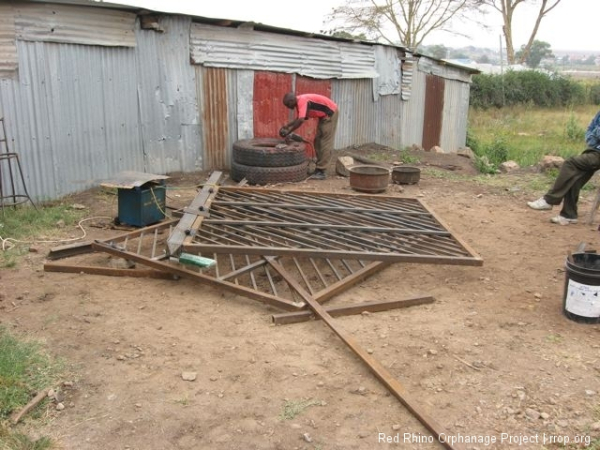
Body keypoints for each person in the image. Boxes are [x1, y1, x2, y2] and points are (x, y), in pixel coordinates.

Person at [527, 110, 600, 225]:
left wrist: (596, 135)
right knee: (575, 178)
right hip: (594, 150)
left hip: (598, 153)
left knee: (570, 163)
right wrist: (594, 137)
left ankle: (549, 200)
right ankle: (569, 215)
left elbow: (596, 133)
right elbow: (590, 132)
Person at [279, 92, 339, 180]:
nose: (288, 107)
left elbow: (301, 120)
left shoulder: (302, 101)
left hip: (330, 114)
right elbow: (299, 118)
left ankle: (322, 171)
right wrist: (287, 126)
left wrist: (289, 132)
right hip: (323, 117)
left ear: (292, 100)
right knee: (317, 141)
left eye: (288, 104)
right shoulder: (299, 102)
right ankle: (319, 168)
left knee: (324, 142)